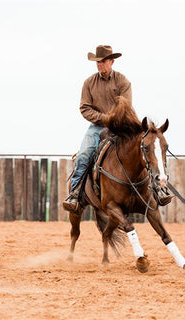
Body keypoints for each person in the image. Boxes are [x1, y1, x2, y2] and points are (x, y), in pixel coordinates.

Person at [63, 45, 132, 213]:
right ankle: (75, 193)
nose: (100, 65)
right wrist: (103, 118)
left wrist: (114, 119)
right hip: (97, 127)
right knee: (84, 154)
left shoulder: (123, 81)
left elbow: (126, 106)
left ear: (111, 61)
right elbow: (85, 108)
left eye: (103, 61)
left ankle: (156, 189)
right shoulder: (89, 83)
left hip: (120, 126)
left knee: (140, 149)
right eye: (97, 62)